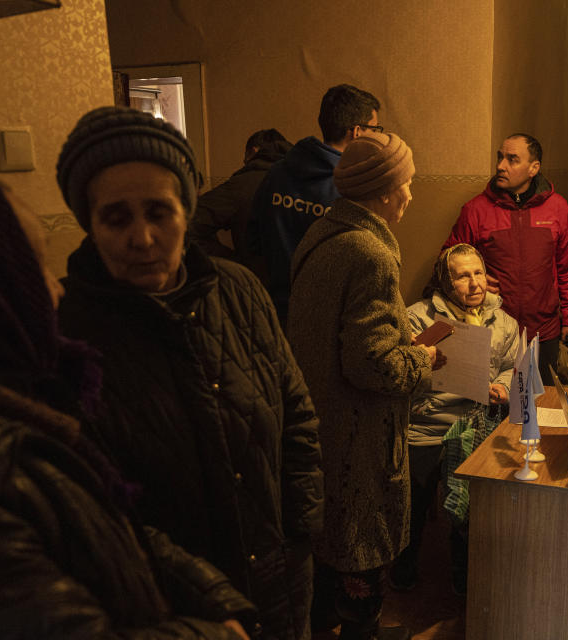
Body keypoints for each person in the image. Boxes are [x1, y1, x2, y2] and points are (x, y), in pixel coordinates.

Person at [0, 152, 256, 638]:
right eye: (33, 267)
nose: (53, 290)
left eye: (159, 211)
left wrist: (214, 597)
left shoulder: (21, 400)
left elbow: (105, 527)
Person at [55, 107, 323, 640]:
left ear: (188, 207)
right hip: (169, 609)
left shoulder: (239, 291)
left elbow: (296, 413)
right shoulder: (67, 335)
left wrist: (301, 527)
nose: (144, 237)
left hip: (279, 582)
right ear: (88, 222)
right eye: (116, 217)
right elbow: (90, 508)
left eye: (160, 211)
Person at [287, 132, 440, 640]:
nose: (411, 195)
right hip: (359, 441)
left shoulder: (321, 234)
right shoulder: (370, 252)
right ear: (383, 191)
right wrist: (423, 356)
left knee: (326, 563)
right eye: (407, 184)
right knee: (359, 560)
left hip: (321, 426)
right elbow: (372, 365)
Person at [389, 243, 518, 593]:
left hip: (478, 425)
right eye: (463, 276)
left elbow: (510, 368)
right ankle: (404, 565)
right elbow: (402, 372)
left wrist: (503, 389)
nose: (474, 283)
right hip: (429, 423)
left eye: (478, 273)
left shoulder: (505, 322)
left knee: (474, 507)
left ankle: (465, 574)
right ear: (445, 283)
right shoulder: (418, 317)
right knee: (413, 499)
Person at [443, 133, 568, 383]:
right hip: (492, 329)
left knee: (538, 406)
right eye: (500, 157)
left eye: (512, 159)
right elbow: (447, 262)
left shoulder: (557, 208)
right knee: (496, 410)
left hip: (544, 330)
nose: (500, 166)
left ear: (533, 168)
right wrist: (475, 277)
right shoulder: (476, 210)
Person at [246, 84, 381, 323]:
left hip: (275, 308)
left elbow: (253, 239)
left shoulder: (277, 173)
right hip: (326, 317)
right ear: (357, 132)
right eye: (375, 128)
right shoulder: (349, 186)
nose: (378, 136)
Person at [190, 128, 292, 263]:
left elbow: (189, 225)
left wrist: (233, 262)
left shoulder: (242, 185)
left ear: (253, 151)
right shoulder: (303, 181)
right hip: (299, 279)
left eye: (245, 158)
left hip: (255, 280)